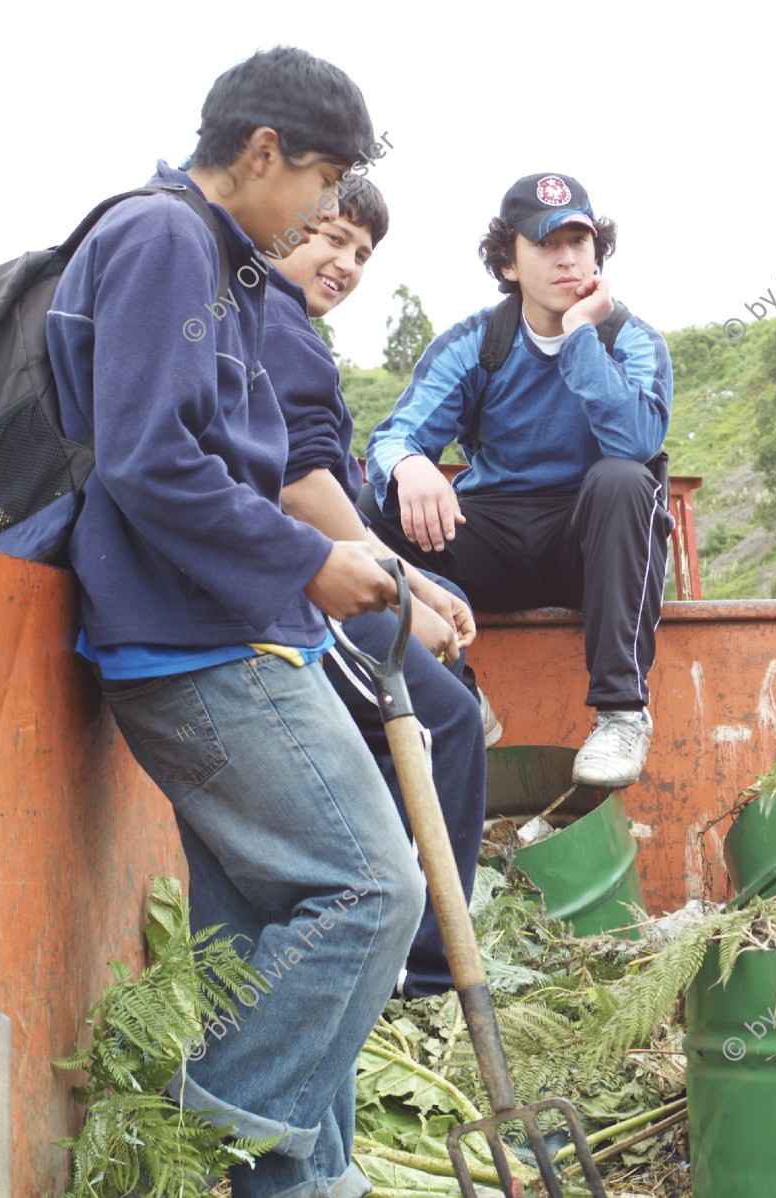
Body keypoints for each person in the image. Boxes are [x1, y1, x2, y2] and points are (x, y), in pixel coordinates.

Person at [47, 48, 422, 1197]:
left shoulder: (226, 265)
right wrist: (311, 560)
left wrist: (323, 560)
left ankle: (305, 1179)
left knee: (279, 926)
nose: (326, 212)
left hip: (229, 628)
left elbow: (224, 459)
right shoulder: (163, 239)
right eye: (322, 184)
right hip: (199, 643)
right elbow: (152, 460)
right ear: (262, 154)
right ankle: (197, 1154)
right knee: (373, 890)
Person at [359, 173, 674, 791]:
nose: (567, 258)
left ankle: (621, 713)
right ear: (508, 262)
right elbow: (393, 436)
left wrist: (581, 334)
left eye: (579, 243)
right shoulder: (478, 342)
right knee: (376, 502)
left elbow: (636, 443)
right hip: (495, 533)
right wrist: (410, 464)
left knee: (622, 479)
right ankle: (456, 692)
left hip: (592, 544)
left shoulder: (631, 341)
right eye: (546, 244)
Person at [270, 175, 489, 998]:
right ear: (282, 223)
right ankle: (424, 980)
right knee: (442, 723)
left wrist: (420, 583)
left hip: (322, 578)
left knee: (454, 698)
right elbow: (300, 489)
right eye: (329, 238)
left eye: (361, 253)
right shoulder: (266, 325)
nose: (346, 263)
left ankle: (426, 945)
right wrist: (404, 594)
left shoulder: (294, 333)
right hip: (289, 598)